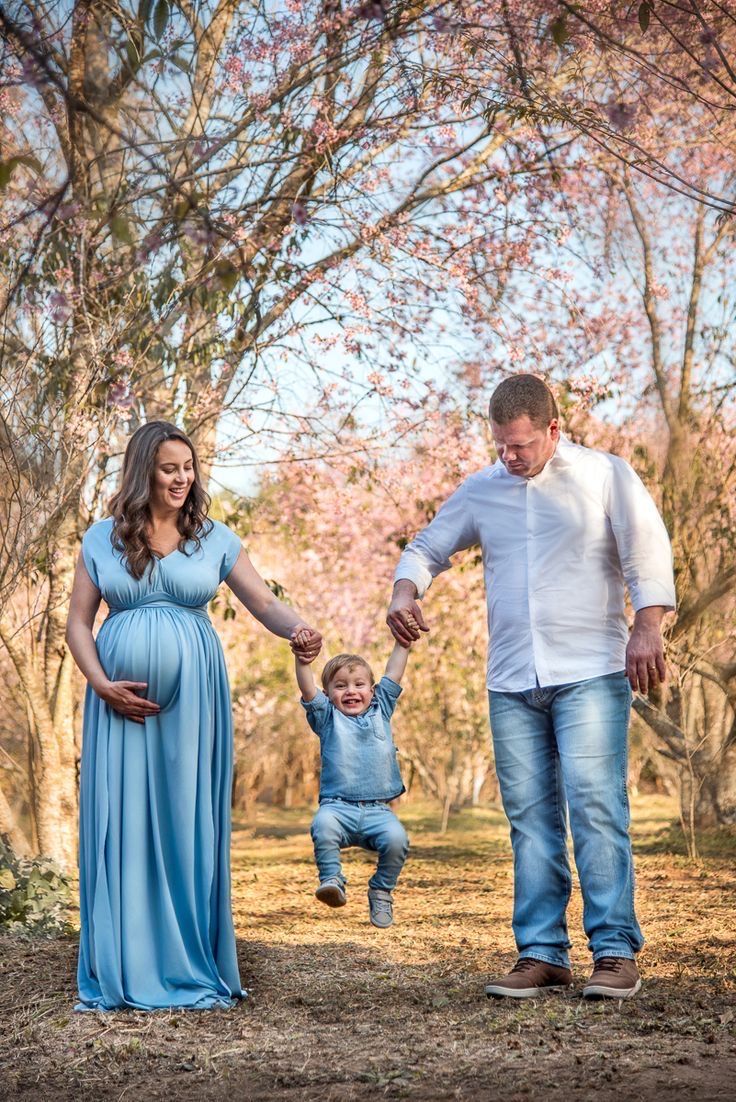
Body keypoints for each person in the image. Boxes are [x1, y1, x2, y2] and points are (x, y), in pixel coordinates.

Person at [386, 374, 675, 999]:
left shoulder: (604, 474)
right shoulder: (482, 489)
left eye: (520, 445)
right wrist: (405, 589)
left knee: (597, 807)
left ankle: (615, 952)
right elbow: (427, 547)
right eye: (500, 446)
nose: (509, 456)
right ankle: (543, 953)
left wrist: (647, 624)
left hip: (591, 671)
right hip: (512, 677)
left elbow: (646, 548)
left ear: (552, 429)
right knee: (530, 819)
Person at [66, 421, 321, 1011]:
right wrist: (101, 684)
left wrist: (299, 630)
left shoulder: (215, 538)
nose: (182, 479)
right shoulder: (103, 537)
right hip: (118, 704)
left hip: (195, 704)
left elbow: (262, 601)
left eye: (188, 467)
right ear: (142, 473)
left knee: (186, 820)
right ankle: (128, 960)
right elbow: (79, 622)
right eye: (168, 468)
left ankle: (188, 958)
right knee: (124, 824)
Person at [294, 635, 411, 928]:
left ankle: (382, 890)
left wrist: (403, 644)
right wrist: (302, 662)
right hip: (337, 807)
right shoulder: (327, 718)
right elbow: (307, 690)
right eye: (340, 686)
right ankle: (332, 880)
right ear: (328, 693)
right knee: (322, 827)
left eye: (359, 684)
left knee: (398, 840)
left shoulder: (381, 709)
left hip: (379, 810)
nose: (351, 691)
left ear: (371, 690)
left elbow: (394, 673)